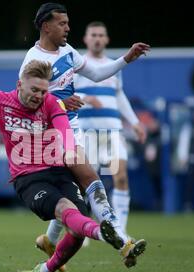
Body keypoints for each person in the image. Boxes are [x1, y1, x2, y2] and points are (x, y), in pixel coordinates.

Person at [0, 32, 146, 272]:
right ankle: (107, 235)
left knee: (78, 227)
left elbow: (63, 127)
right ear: (19, 84)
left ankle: (43, 271)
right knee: (66, 210)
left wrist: (70, 148)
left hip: (58, 172)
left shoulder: (50, 102)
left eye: (43, 91)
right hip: (30, 179)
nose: (39, 96)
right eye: (34, 90)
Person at [20, 3, 149, 269]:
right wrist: (63, 105)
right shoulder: (33, 61)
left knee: (83, 187)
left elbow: (97, 73)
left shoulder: (67, 52)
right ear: (46, 26)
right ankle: (121, 240)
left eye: (68, 23)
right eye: (62, 23)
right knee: (88, 182)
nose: (68, 28)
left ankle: (53, 241)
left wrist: (127, 58)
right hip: (50, 136)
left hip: (72, 131)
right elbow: (27, 103)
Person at [73, 21, 147, 238]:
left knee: (121, 177)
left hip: (113, 132)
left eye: (100, 35)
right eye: (93, 34)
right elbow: (64, 94)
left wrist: (134, 121)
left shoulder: (114, 66)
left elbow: (119, 94)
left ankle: (120, 231)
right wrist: (86, 98)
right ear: (86, 39)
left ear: (106, 39)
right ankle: (83, 229)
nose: (97, 38)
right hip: (87, 134)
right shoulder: (78, 64)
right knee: (85, 184)